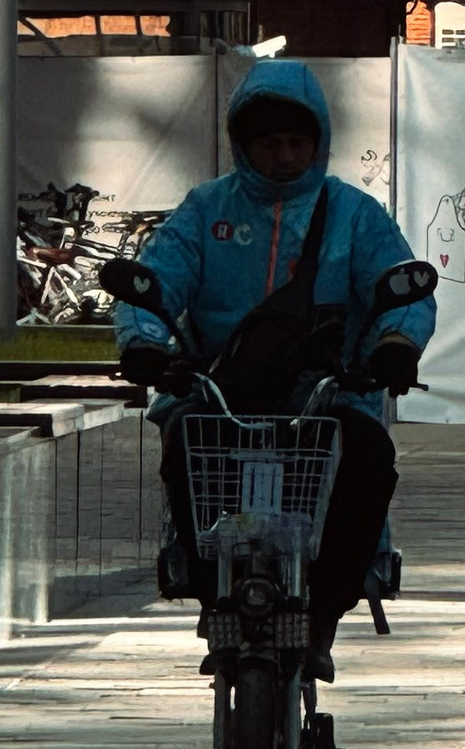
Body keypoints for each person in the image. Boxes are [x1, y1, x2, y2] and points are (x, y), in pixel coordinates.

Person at [116, 58, 435, 673]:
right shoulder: (205, 210)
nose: (284, 155)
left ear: (319, 142)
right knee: (184, 446)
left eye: (296, 141)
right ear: (242, 142)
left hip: (328, 397)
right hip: (219, 396)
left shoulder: (355, 214)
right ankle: (211, 593)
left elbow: (403, 292)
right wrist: (143, 341)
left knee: (368, 455)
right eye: (268, 141)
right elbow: (154, 283)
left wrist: (395, 345)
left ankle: (326, 612)